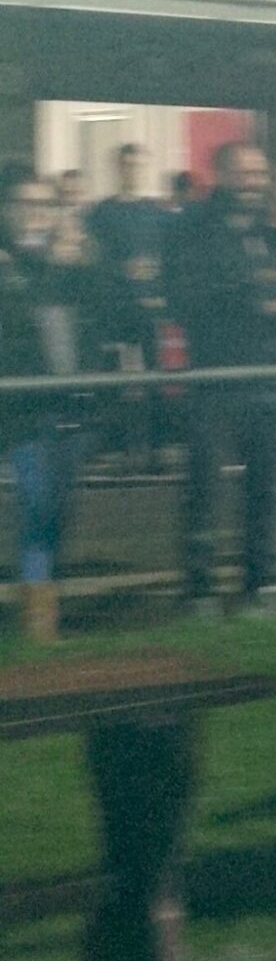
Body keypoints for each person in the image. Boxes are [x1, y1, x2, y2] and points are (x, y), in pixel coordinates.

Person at [163, 143, 276, 616]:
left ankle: (261, 585)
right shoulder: (191, 233)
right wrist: (252, 299)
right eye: (245, 172)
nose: (254, 181)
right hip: (217, 379)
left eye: (260, 172)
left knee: (267, 485)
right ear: (221, 174)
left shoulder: (275, 237)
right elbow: (182, 300)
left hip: (269, 379)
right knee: (206, 486)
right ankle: (201, 588)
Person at [1, 172, 101, 640]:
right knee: (38, 502)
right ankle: (39, 626)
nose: (37, 211)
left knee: (58, 507)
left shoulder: (70, 256)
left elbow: (111, 310)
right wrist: (56, 268)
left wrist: (84, 264)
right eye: (25, 202)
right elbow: (19, 322)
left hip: (70, 401)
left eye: (44, 202)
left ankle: (45, 605)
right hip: (20, 406)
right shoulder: (14, 262)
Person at [87, 142, 173, 465]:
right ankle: (115, 444)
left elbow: (167, 257)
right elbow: (93, 258)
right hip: (114, 309)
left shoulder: (156, 214)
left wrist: (160, 289)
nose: (133, 171)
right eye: (127, 165)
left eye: (138, 165)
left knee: (154, 377)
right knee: (112, 379)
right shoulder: (102, 213)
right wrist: (121, 270)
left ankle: (153, 445)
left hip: (148, 307)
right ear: (118, 168)